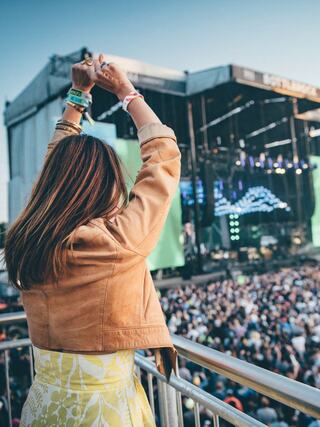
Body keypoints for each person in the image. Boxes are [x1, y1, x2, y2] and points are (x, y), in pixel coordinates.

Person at [2, 52, 181, 426]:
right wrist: (125, 91)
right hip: (105, 412)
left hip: (44, 405)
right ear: (107, 186)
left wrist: (78, 96)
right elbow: (163, 155)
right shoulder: (114, 242)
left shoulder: (27, 240)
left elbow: (55, 168)